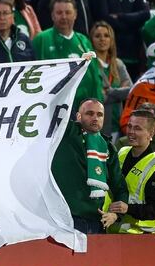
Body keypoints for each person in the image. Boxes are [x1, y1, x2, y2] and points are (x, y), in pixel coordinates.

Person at [52, 98, 129, 234]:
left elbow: (120, 186)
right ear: (78, 116)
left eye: (100, 115)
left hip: (95, 222)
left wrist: (116, 215)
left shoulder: (108, 147)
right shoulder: (66, 133)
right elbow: (52, 109)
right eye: (89, 113)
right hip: (63, 220)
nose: (95, 118)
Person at [32, 0, 103, 112]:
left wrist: (97, 102)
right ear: (52, 15)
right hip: (52, 109)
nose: (64, 16)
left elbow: (94, 75)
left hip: (83, 109)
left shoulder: (83, 40)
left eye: (68, 12)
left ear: (75, 14)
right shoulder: (41, 39)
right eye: (59, 12)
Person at [107, 109, 155, 233]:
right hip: (115, 231)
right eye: (129, 126)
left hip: (140, 236)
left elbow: (154, 210)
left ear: (150, 134)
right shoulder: (122, 152)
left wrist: (128, 209)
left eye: (138, 128)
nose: (131, 132)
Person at [90, 21, 132, 138]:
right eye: (97, 36)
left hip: (118, 125)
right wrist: (118, 93)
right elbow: (98, 97)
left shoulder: (118, 64)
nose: (102, 39)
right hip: (98, 127)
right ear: (91, 40)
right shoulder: (90, 66)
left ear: (111, 39)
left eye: (106, 35)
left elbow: (130, 91)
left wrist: (109, 92)